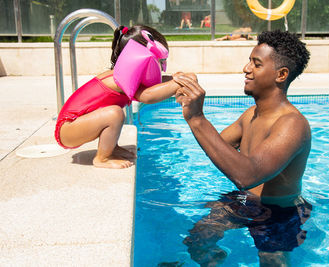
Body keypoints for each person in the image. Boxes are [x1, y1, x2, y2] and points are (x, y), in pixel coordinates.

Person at [173, 30, 312, 266]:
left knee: (271, 259)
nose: (246, 69)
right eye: (249, 61)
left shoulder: (292, 125)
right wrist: (190, 102)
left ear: (281, 74)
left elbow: (246, 175)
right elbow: (219, 147)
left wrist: (198, 119)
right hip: (246, 202)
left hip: (280, 212)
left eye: (256, 64)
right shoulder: (251, 114)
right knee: (198, 239)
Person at [55, 25, 188, 169]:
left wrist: (175, 78)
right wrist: (177, 83)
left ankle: (111, 147)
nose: (160, 67)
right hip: (67, 130)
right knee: (114, 114)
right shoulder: (121, 79)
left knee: (113, 113)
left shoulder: (123, 75)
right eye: (159, 61)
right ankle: (102, 158)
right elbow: (148, 96)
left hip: (74, 126)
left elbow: (153, 87)